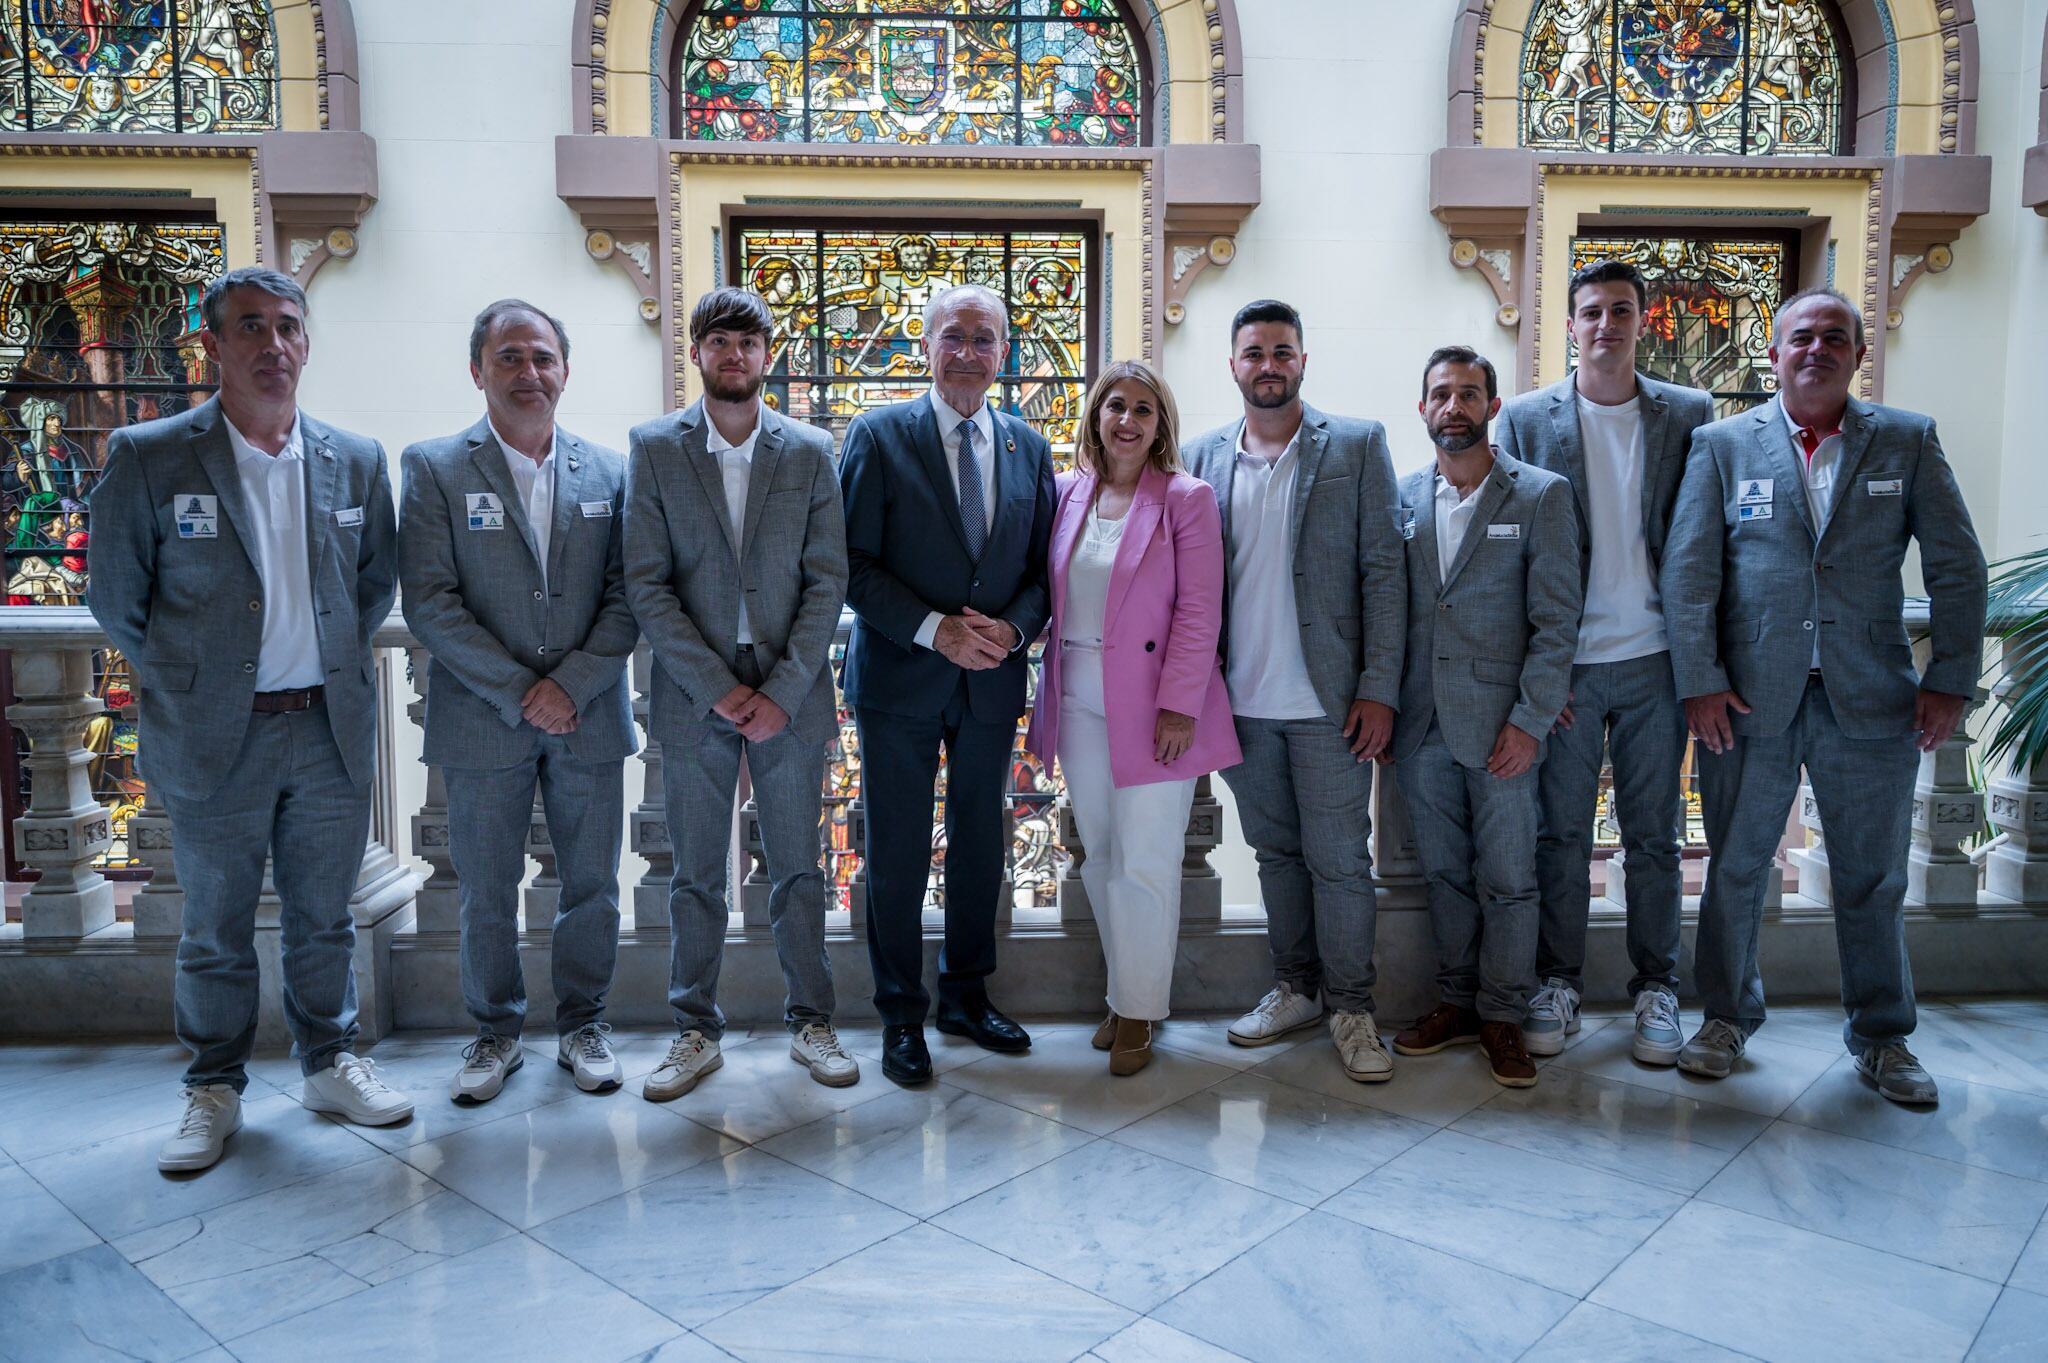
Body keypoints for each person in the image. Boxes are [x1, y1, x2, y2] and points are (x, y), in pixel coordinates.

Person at [86, 266, 411, 1173]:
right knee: (215, 923)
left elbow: (373, 579)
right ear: (213, 345)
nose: (274, 345)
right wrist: (193, 682)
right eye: (252, 328)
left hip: (327, 732)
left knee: (323, 917)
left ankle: (329, 1059)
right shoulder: (150, 456)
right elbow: (115, 596)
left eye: (289, 327)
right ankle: (213, 1086)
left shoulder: (354, 457)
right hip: (212, 736)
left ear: (306, 342)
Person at [1661, 287, 1987, 1105]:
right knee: (1735, 867)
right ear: (1772, 353)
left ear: (1858, 354)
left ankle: (1883, 1037)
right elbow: (1690, 572)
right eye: (1801, 337)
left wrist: (1950, 677)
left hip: (1874, 700)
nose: (1817, 349)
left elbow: (1957, 566)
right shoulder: (1723, 444)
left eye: (1835, 337)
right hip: (1746, 700)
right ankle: (1726, 1019)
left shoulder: (1907, 441)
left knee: (1872, 877)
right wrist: (1699, 680)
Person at [399, 299, 638, 1103]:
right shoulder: (432, 467)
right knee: (486, 889)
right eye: (509, 357)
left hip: (590, 713)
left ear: (565, 370)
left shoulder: (612, 471)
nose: (528, 373)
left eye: (542, 357)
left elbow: (629, 593)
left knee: (591, 885)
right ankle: (493, 1031)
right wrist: (521, 690)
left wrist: (570, 685)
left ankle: (584, 1023)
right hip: (481, 719)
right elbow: (430, 601)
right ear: (478, 370)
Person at [625, 286, 855, 1098]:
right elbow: (647, 586)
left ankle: (812, 1021)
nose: (734, 356)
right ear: (697, 353)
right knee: (695, 870)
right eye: (719, 342)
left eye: (749, 343)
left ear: (768, 355)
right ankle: (693, 1028)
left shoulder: (808, 450)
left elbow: (829, 580)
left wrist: (782, 689)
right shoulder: (654, 448)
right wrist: (721, 688)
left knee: (798, 865)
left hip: (790, 692)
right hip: (696, 695)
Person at [1494, 258, 1716, 1065]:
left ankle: (1657, 987)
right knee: (1559, 836)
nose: (1605, 326)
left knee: (1654, 835)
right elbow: (1510, 552)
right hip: (1570, 669)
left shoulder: (1690, 414)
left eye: (1621, 311)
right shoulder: (1523, 419)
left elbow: (1705, 544)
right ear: (1570, 324)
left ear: (1643, 320)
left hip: (1658, 660)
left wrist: (1704, 669)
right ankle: (1559, 982)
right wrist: (1536, 676)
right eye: (1590, 312)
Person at [1181, 300, 1407, 1083]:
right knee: (1274, 852)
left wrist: (1379, 687)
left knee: (1341, 860)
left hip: (1329, 704)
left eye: (1283, 351)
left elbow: (1385, 572)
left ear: (1303, 361)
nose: (1268, 364)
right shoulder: (1201, 455)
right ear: (1233, 364)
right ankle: (1296, 988)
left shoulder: (1355, 444)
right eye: (1254, 353)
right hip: (1239, 701)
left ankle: (1352, 1006)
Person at [840, 282, 1057, 1085]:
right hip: (901, 676)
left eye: (985, 339)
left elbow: (1042, 569)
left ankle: (966, 993)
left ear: (1004, 353)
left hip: (992, 682)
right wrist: (940, 630)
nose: (969, 351)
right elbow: (849, 565)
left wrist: (1014, 630)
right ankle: (901, 1014)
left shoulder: (1029, 448)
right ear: (925, 346)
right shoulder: (877, 434)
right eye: (954, 336)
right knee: (895, 849)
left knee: (980, 844)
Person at [1025, 360, 1238, 1076]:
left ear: (1160, 425)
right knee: (1103, 857)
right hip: (1078, 700)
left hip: (1154, 705)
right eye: (1116, 405)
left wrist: (1181, 703)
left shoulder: (1187, 498)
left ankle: (1142, 1014)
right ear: (1096, 416)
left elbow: (1200, 608)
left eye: (1144, 409)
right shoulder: (1066, 492)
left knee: (1147, 859)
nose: (1128, 419)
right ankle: (1123, 994)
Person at [1389, 346, 1582, 1088]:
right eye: (1441, 394)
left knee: (1508, 876)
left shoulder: (1540, 495)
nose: (1454, 407)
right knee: (1444, 874)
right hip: (1421, 725)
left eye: (1469, 394)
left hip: (1504, 726)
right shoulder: (1402, 498)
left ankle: (1504, 1013)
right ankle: (1455, 1001)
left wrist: (1530, 720)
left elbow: (1556, 619)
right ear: (1423, 408)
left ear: (1493, 407)